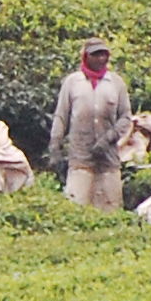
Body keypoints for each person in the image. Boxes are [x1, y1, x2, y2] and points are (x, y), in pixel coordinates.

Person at [45, 39, 133, 211]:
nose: (101, 59)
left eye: (104, 55)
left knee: (110, 207)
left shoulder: (116, 83)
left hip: (108, 159)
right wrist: (55, 145)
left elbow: (125, 117)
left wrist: (108, 138)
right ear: (86, 57)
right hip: (80, 157)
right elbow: (61, 116)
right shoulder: (72, 82)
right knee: (77, 205)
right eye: (96, 55)